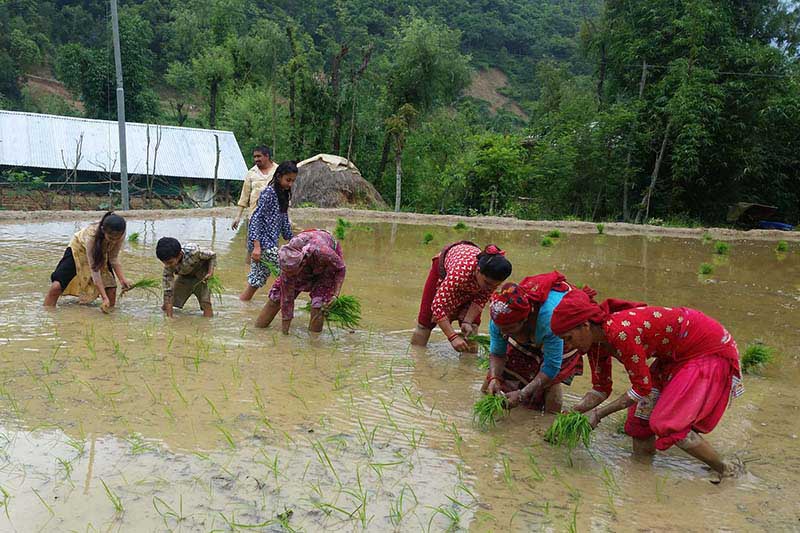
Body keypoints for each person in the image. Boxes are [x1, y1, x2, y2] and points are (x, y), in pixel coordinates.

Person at [550, 289, 745, 479]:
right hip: (673, 356)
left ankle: (727, 469)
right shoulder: (594, 345)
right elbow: (601, 389)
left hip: (704, 348)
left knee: (668, 423)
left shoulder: (620, 333)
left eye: (569, 338)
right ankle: (643, 478)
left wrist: (598, 414)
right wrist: (572, 413)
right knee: (639, 421)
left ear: (585, 326)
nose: (567, 346)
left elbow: (641, 387)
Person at [482, 272, 589, 413]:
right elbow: (497, 353)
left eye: (508, 329)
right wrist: (494, 378)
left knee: (550, 383)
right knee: (501, 370)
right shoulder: (500, 315)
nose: (503, 333)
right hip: (530, 330)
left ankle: (547, 423)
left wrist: (522, 394)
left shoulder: (550, 321)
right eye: (501, 329)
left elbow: (551, 369)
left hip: (565, 331)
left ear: (524, 320)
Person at [411, 241, 512, 352]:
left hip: (470, 279)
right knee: (425, 324)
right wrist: (452, 337)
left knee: (472, 328)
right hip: (445, 271)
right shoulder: (459, 274)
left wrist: (467, 321)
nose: (490, 288)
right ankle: (417, 359)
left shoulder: (490, 279)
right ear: (478, 270)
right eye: (487, 283)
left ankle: (468, 365)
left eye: (495, 285)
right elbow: (437, 307)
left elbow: (481, 300)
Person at [255, 229, 345, 334]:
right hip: (304, 261)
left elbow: (341, 268)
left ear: (302, 263)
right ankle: (257, 330)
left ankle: (314, 341)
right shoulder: (287, 262)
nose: (292, 276)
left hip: (325, 264)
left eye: (294, 272)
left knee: (318, 303)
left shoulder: (323, 252)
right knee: (277, 297)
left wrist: (335, 294)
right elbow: (287, 300)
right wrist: (285, 334)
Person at [44, 212, 131, 312]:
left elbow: (113, 258)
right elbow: (95, 270)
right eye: (111, 238)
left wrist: (122, 279)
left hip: (101, 251)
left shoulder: (120, 233)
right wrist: (104, 297)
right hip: (79, 249)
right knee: (56, 286)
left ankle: (108, 321)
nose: (114, 241)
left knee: (111, 290)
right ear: (103, 230)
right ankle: (48, 311)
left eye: (117, 238)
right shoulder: (92, 236)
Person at [239, 160, 297, 301]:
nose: (290, 184)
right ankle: (284, 306)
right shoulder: (269, 193)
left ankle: (243, 305)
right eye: (288, 180)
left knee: (256, 281)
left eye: (293, 181)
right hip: (263, 245)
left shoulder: (283, 195)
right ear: (278, 177)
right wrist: (257, 247)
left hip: (270, 244)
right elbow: (255, 219)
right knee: (288, 274)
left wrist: (294, 242)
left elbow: (284, 222)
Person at [156, 237, 217, 318]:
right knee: (167, 304)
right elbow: (168, 293)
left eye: (170, 262)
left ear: (180, 255)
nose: (167, 266)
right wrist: (169, 319)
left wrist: (210, 272)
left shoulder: (194, 251)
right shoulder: (168, 269)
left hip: (202, 277)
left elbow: (212, 255)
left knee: (205, 303)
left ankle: (208, 324)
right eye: (164, 263)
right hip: (184, 277)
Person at [231, 146, 277, 233]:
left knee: (272, 245)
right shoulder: (251, 173)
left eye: (259, 156)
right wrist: (237, 217)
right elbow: (244, 196)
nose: (256, 159)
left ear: (267, 156)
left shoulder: (278, 171)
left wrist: (287, 217)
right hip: (254, 216)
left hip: (273, 217)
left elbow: (285, 195)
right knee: (254, 243)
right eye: (255, 157)